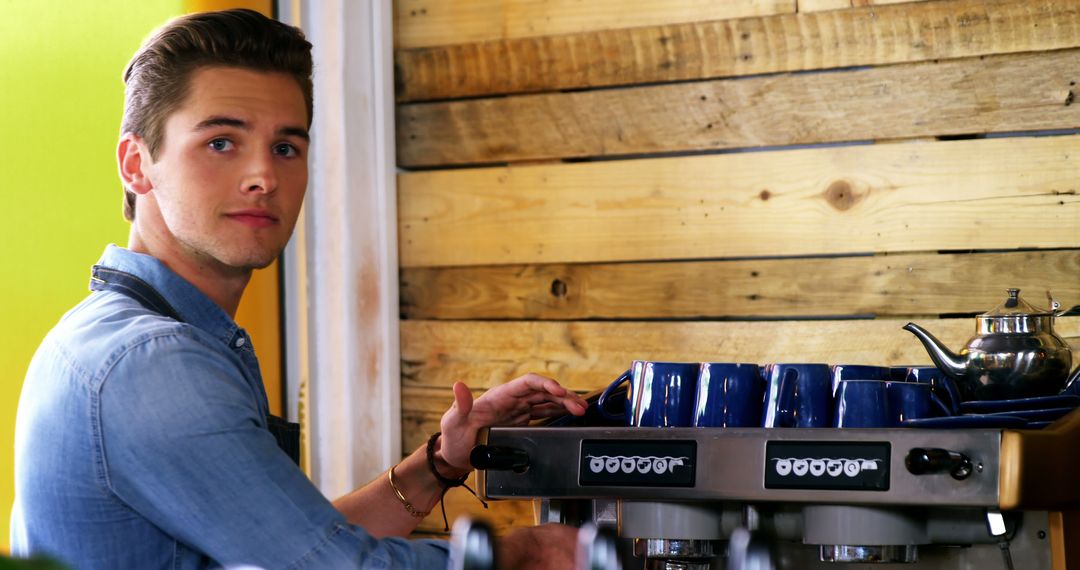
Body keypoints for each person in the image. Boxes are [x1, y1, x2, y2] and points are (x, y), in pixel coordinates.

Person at [10, 9, 587, 569]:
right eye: (221, 142)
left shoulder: (116, 335)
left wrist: (437, 464)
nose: (264, 176)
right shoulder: (152, 363)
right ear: (136, 164)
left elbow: (294, 546)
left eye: (286, 148)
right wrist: (529, 554)